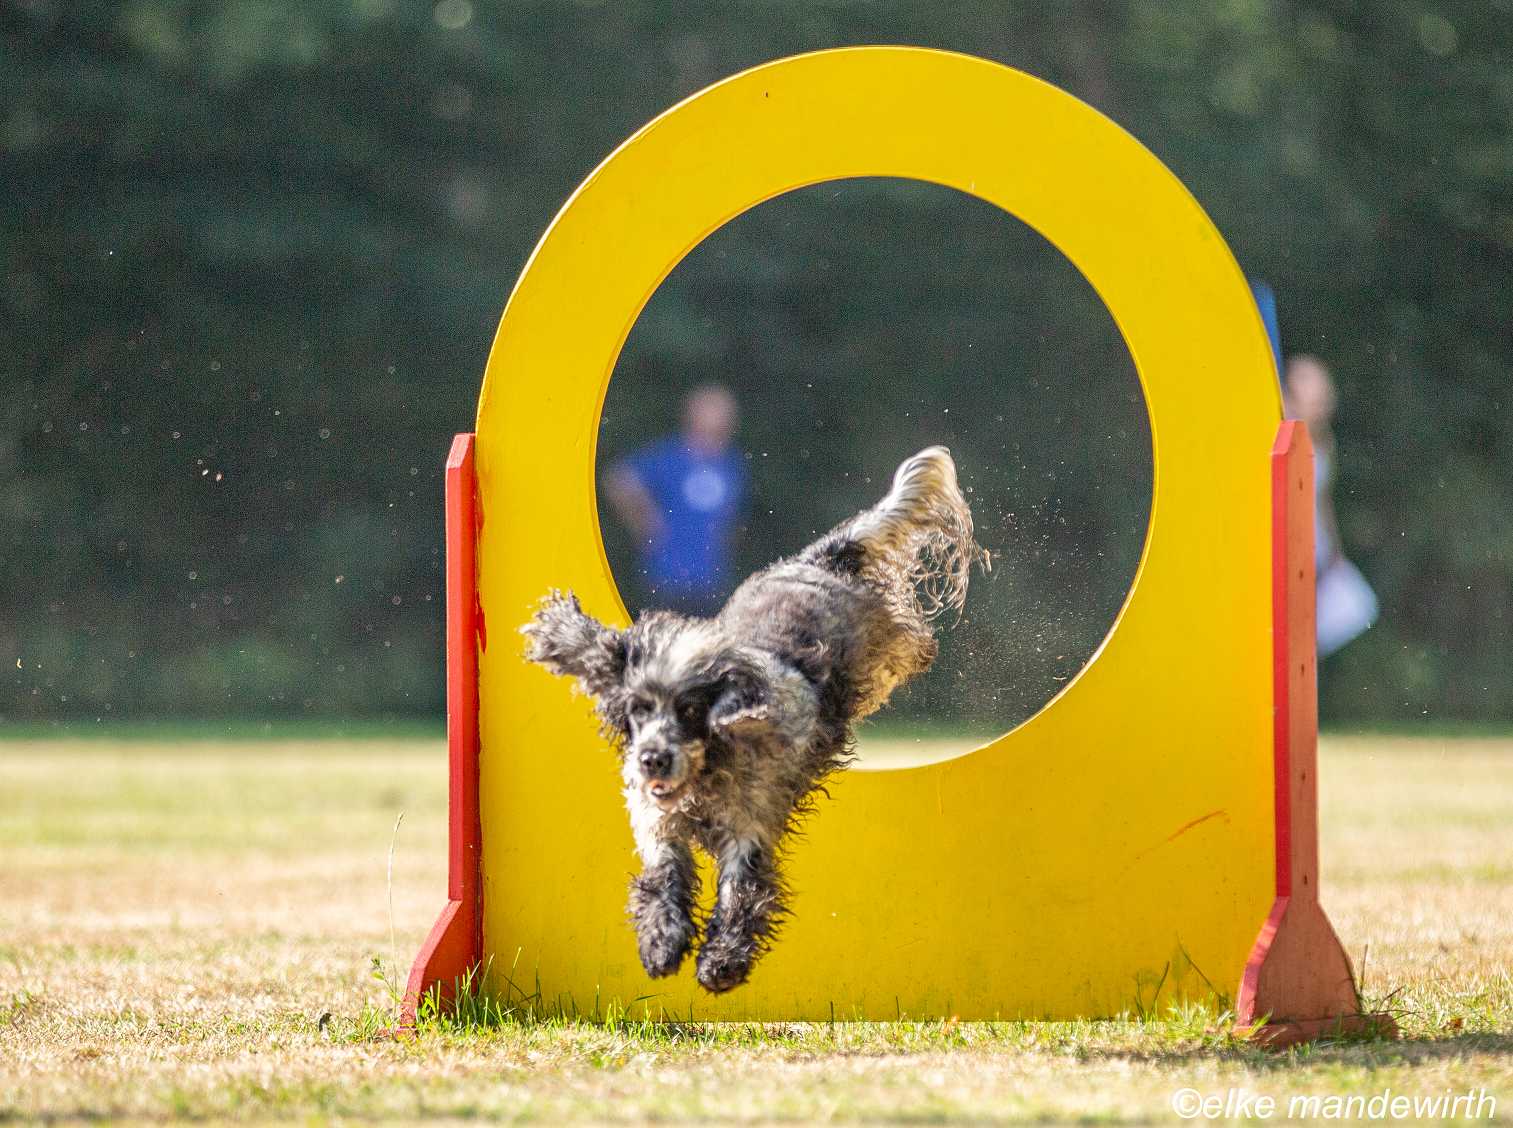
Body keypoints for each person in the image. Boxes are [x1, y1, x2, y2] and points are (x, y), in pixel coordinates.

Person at [603, 385, 747, 616]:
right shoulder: (671, 456)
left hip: (712, 582)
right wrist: (644, 520)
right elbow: (619, 478)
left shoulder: (731, 464)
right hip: (667, 578)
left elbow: (729, 521)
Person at [1283, 355, 1378, 656]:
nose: (1321, 408)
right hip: (1290, 542)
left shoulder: (1324, 441)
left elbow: (1322, 499)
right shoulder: (1283, 428)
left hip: (1316, 547)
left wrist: (1336, 549)